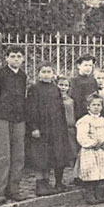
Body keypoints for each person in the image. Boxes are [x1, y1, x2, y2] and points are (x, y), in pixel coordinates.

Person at [0, 45, 28, 203]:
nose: (16, 59)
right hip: (2, 118)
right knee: (3, 156)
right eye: (13, 56)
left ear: (23, 59)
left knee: (18, 156)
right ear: (7, 58)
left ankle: (13, 189)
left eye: (19, 56)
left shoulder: (22, 75)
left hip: (19, 119)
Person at [25, 62, 73, 196]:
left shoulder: (55, 88)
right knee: (40, 155)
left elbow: (60, 109)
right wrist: (33, 127)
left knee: (52, 154)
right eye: (44, 72)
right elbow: (30, 109)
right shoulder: (34, 88)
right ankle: (40, 183)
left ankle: (49, 182)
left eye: (49, 72)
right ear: (39, 74)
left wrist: (62, 127)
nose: (46, 75)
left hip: (56, 127)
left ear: (53, 74)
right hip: (41, 127)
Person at [75, 94, 104, 205]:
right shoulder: (85, 121)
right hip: (90, 151)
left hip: (101, 150)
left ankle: (99, 194)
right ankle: (89, 194)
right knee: (91, 172)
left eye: (99, 105)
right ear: (88, 107)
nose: (96, 107)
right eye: (93, 105)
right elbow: (82, 137)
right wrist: (93, 143)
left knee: (101, 171)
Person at [56, 76, 78, 166]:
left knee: (73, 150)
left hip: (70, 129)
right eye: (61, 85)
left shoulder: (71, 100)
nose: (63, 87)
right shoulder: (54, 99)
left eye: (66, 85)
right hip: (59, 129)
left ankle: (74, 174)